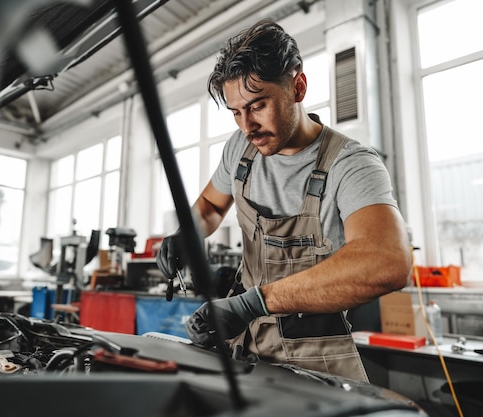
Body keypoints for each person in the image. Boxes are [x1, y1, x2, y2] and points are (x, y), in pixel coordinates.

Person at [156, 19, 411, 382]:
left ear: (298, 87)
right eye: (235, 112)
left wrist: (253, 302)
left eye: (258, 105)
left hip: (316, 363)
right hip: (245, 350)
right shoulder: (240, 149)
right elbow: (211, 207)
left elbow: (388, 262)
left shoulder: (351, 164)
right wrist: (186, 233)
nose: (247, 126)